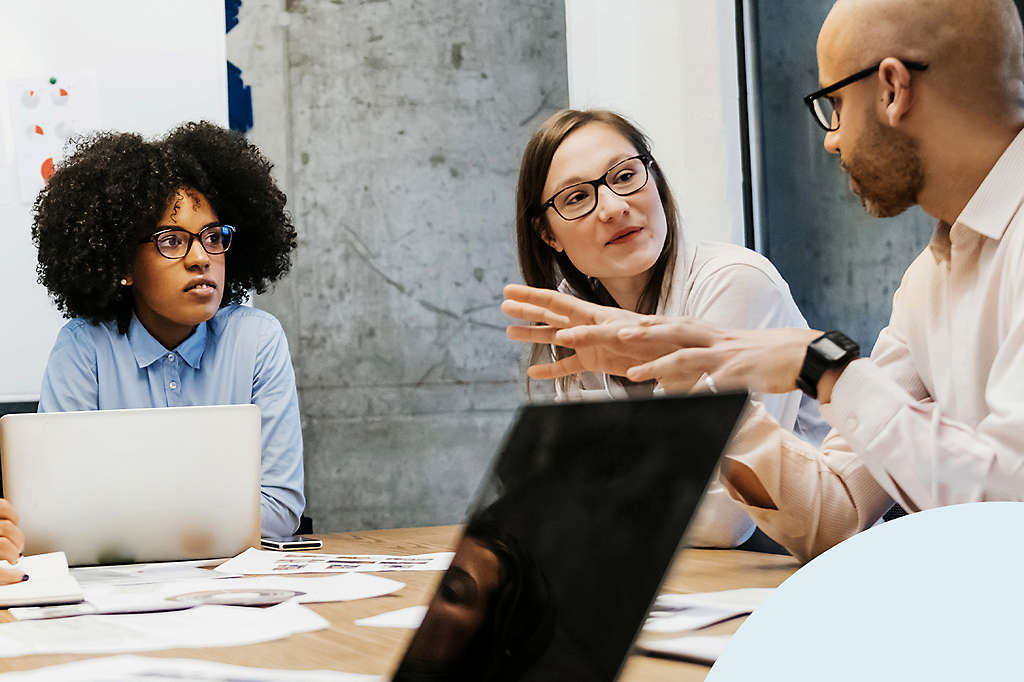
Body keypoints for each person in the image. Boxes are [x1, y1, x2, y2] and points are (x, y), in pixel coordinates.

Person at [502, 0, 1024, 562]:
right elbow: (836, 515)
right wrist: (694, 373)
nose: (830, 139)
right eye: (578, 198)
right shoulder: (929, 280)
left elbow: (1005, 509)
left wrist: (823, 365)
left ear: (893, 89)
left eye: (835, 105)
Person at [507, 108, 828, 549]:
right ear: (548, 235)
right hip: (689, 576)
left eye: (624, 176)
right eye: (577, 198)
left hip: (801, 562)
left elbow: (722, 520)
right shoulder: (576, 309)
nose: (614, 207)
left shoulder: (735, 282)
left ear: (654, 179)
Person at [30, 121, 305, 538]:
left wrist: (131, 516)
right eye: (173, 241)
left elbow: (281, 509)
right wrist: (210, 514)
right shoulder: (84, 348)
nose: (201, 258)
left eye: (213, 237)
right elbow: (57, 512)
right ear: (123, 265)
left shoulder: (256, 341)